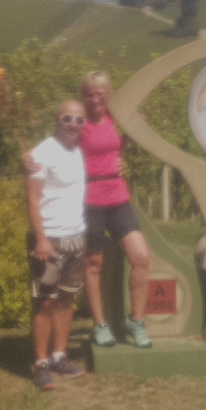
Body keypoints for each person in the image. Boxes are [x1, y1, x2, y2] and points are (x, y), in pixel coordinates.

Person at [77, 70, 153, 348]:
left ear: (109, 95)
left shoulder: (115, 118)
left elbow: (135, 127)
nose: (95, 99)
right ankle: (100, 324)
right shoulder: (78, 123)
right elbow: (56, 146)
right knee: (93, 263)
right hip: (90, 200)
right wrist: (30, 158)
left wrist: (122, 156)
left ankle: (136, 321)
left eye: (100, 94)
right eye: (89, 94)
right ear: (83, 96)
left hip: (118, 197)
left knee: (141, 256)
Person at [22, 100, 91, 391]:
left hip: (76, 237)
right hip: (49, 239)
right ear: (56, 119)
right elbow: (32, 199)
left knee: (66, 299)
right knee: (45, 301)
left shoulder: (80, 150)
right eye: (67, 118)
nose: (73, 124)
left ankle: (60, 356)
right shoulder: (42, 154)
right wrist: (41, 238)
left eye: (79, 120)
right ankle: (41, 364)